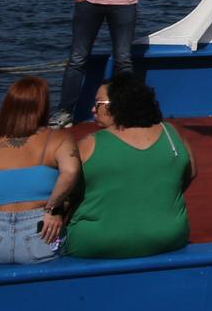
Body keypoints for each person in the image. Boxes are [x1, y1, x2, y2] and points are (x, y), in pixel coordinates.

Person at [65, 73, 192, 259]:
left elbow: (67, 192)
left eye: (99, 104)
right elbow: (190, 174)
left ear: (118, 105)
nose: (93, 109)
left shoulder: (88, 144)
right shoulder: (172, 133)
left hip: (96, 242)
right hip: (169, 237)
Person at [0, 77, 81, 264]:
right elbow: (70, 173)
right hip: (41, 235)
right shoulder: (59, 139)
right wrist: (53, 208)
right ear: (43, 107)